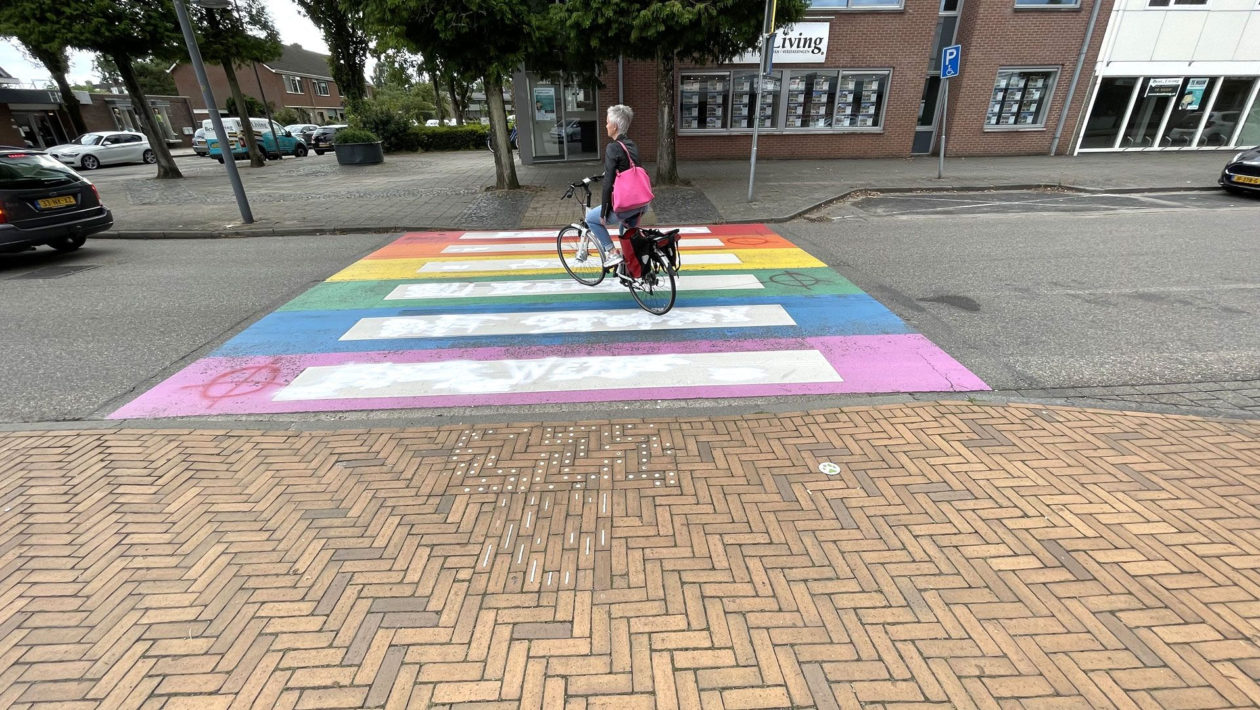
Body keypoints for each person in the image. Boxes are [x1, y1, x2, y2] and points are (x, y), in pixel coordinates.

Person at [586, 104, 645, 268]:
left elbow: (608, 184)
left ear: (615, 126)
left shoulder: (612, 148)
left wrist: (604, 212)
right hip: (641, 204)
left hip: (625, 206)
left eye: (607, 122)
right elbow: (629, 169)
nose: (605, 126)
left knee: (591, 219)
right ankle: (634, 269)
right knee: (625, 233)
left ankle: (612, 253)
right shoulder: (631, 145)